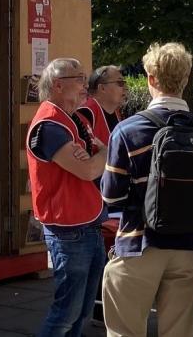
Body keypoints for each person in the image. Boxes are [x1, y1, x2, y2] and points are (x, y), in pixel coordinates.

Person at [100, 42, 193, 337]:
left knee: (125, 331)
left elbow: (111, 197)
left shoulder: (128, 130)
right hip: (190, 248)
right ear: (185, 80)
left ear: (150, 79)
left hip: (139, 245)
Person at [26, 58, 109, 337]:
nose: (86, 85)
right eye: (79, 78)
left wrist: (98, 157)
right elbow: (88, 170)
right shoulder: (50, 126)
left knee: (82, 311)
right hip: (69, 230)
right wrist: (104, 155)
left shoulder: (74, 119)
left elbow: (93, 161)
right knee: (67, 313)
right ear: (58, 85)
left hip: (86, 226)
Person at [76, 65, 127, 326]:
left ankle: (99, 307)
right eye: (119, 82)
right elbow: (86, 154)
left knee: (105, 254)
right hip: (93, 195)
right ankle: (93, 309)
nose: (124, 86)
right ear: (102, 88)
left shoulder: (116, 113)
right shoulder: (87, 111)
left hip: (111, 195)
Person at [77, 65, 128, 142]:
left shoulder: (118, 113)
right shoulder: (86, 113)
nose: (126, 87)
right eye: (120, 83)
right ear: (102, 88)